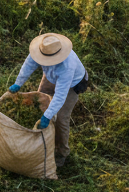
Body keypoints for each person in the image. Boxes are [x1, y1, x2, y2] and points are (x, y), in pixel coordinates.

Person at [8, 33, 88, 168]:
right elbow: (28, 65)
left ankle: (61, 153)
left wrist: (47, 116)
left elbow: (60, 96)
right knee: (40, 103)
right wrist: (18, 83)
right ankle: (40, 142)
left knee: (61, 118)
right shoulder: (41, 49)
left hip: (71, 85)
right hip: (51, 76)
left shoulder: (67, 66)